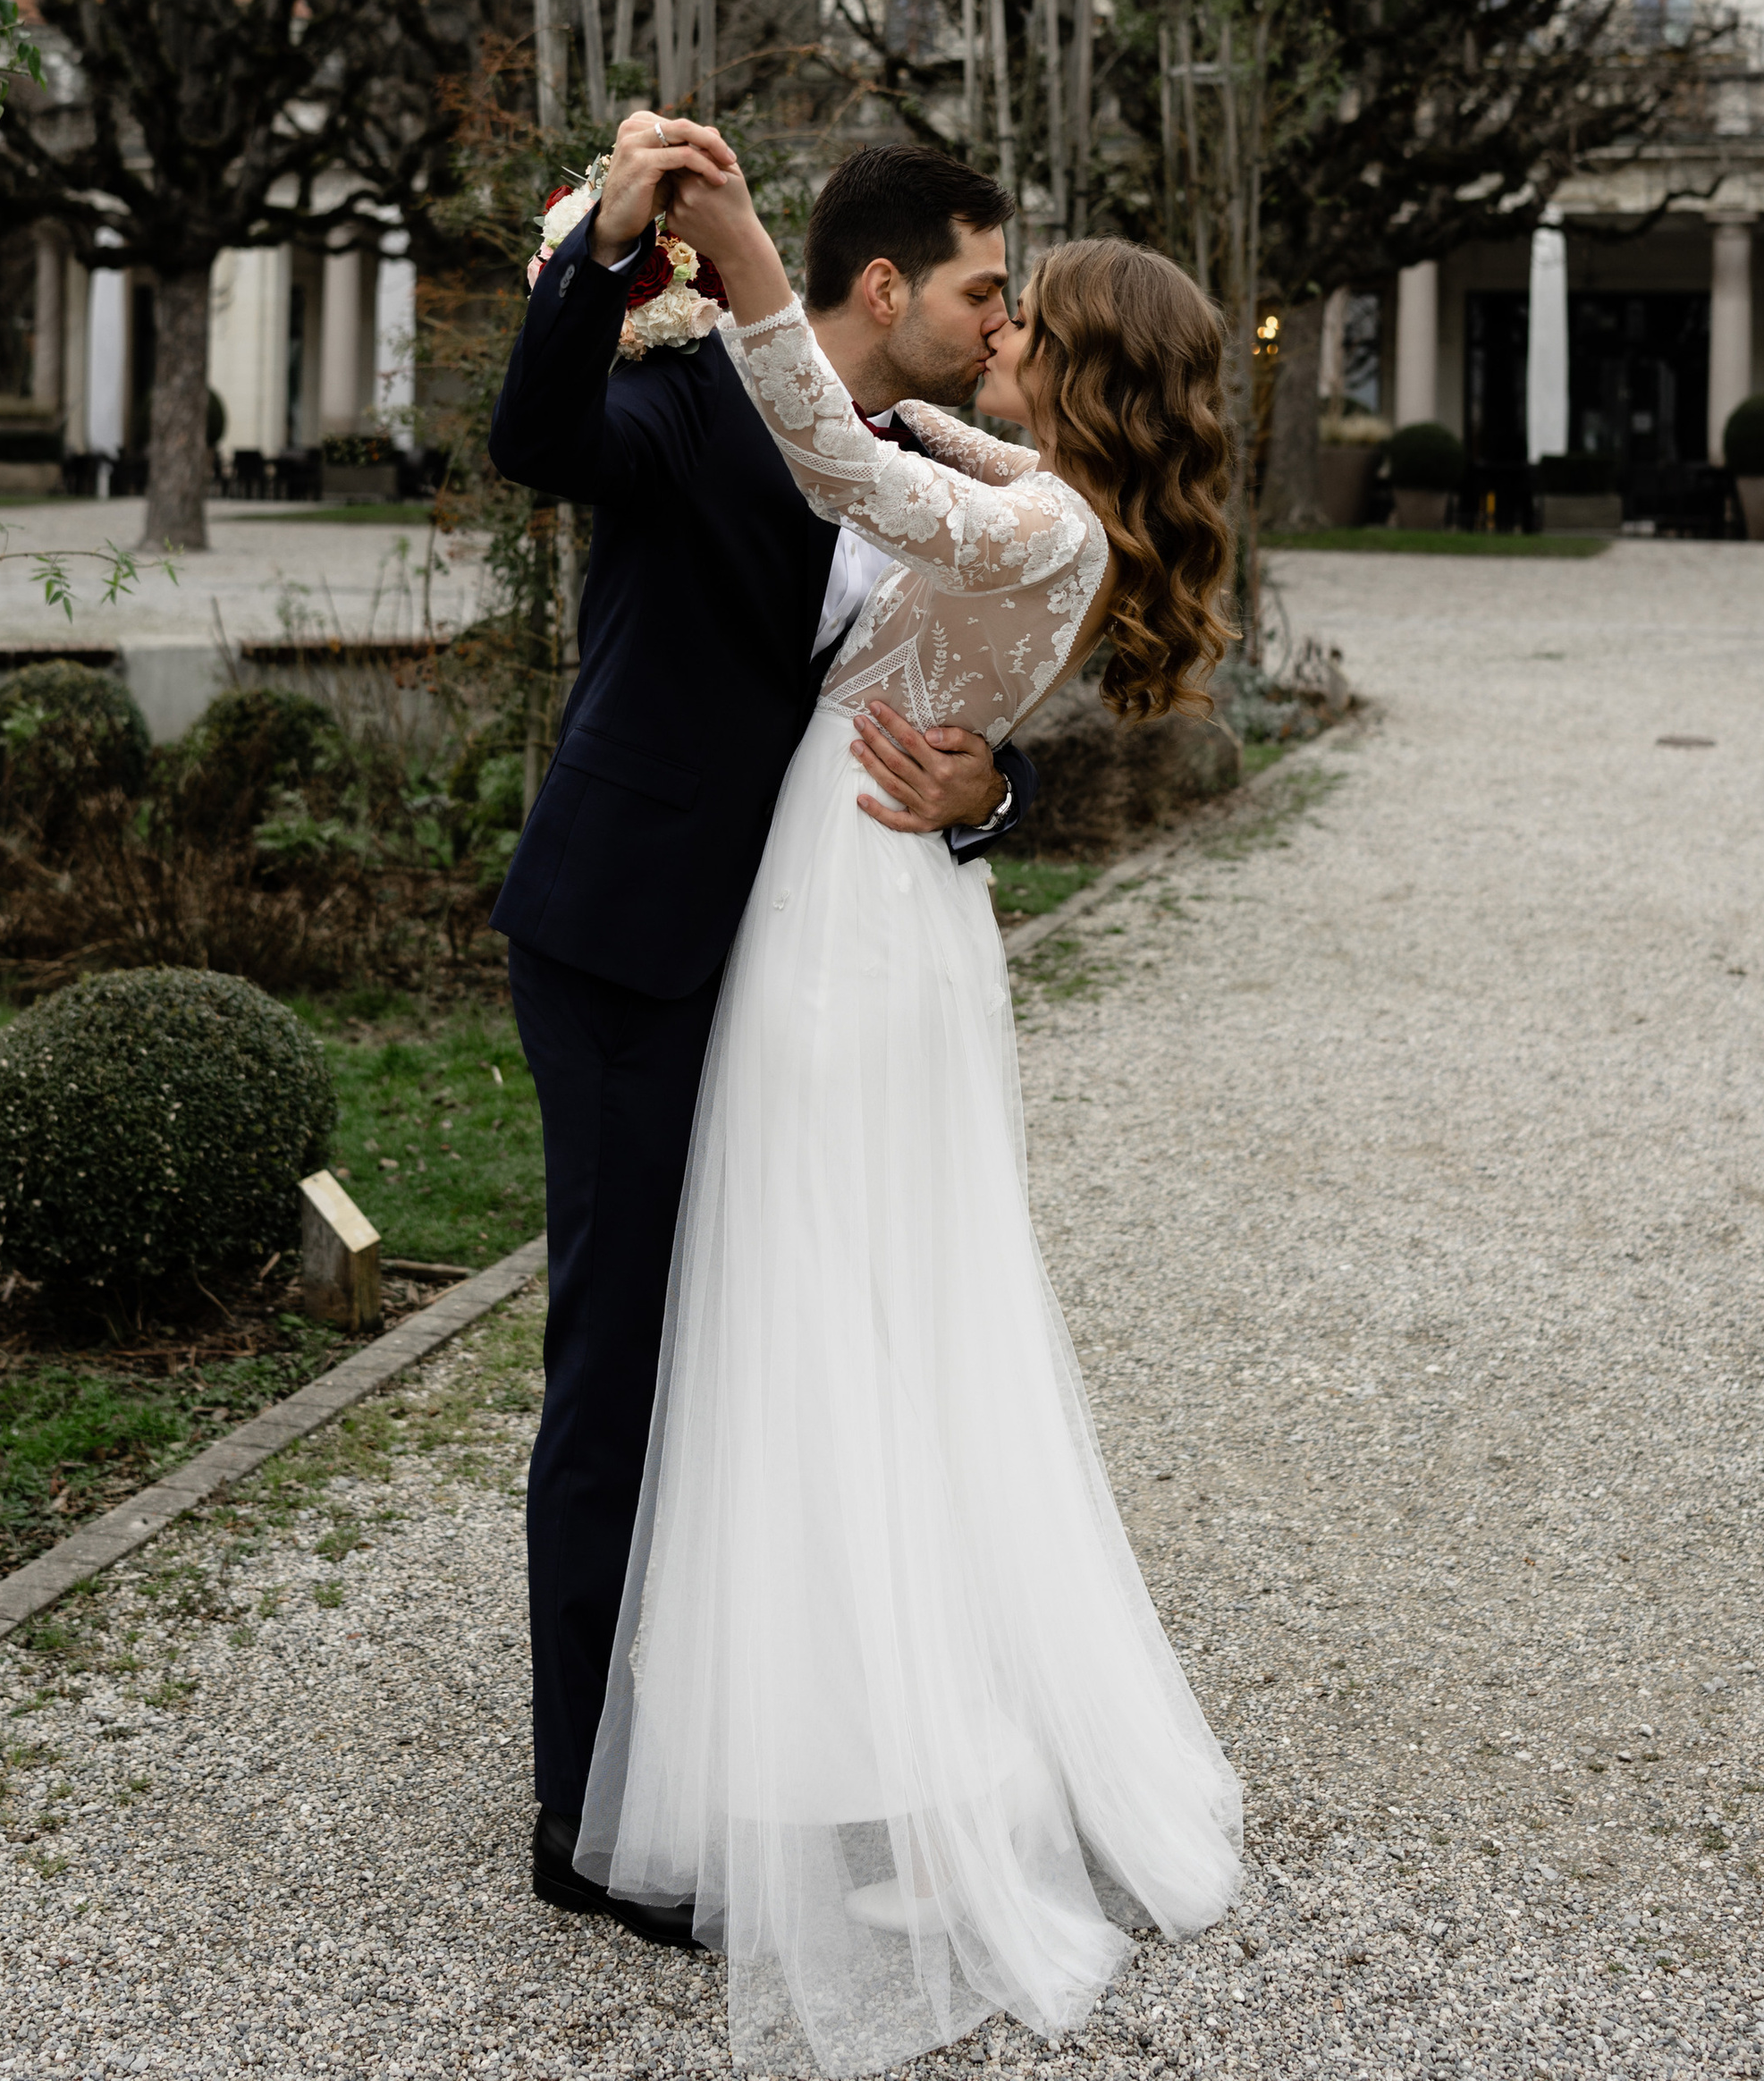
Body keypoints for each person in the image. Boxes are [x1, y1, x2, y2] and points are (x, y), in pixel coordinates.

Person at [575, 122, 1245, 2077]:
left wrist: (749, 262)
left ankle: (897, 1755)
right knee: (863, 1305)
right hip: (870, 896)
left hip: (848, 916)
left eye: (1022, 319)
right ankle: (854, 1730)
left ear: (1081, 363)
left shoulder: (1041, 524)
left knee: (830, 1307)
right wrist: (660, 320)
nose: (994, 333)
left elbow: (846, 467)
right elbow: (931, 458)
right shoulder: (1045, 494)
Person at [488, 127, 1044, 1949]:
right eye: (978, 286)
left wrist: (986, 786)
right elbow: (532, 446)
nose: (998, 320)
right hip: (634, 943)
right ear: (883, 288)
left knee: (775, 1360)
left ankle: (756, 1733)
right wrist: (611, 248)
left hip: (795, 964)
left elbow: (923, 697)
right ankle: (588, 1809)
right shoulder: (692, 390)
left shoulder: (913, 463)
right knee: (626, 1361)